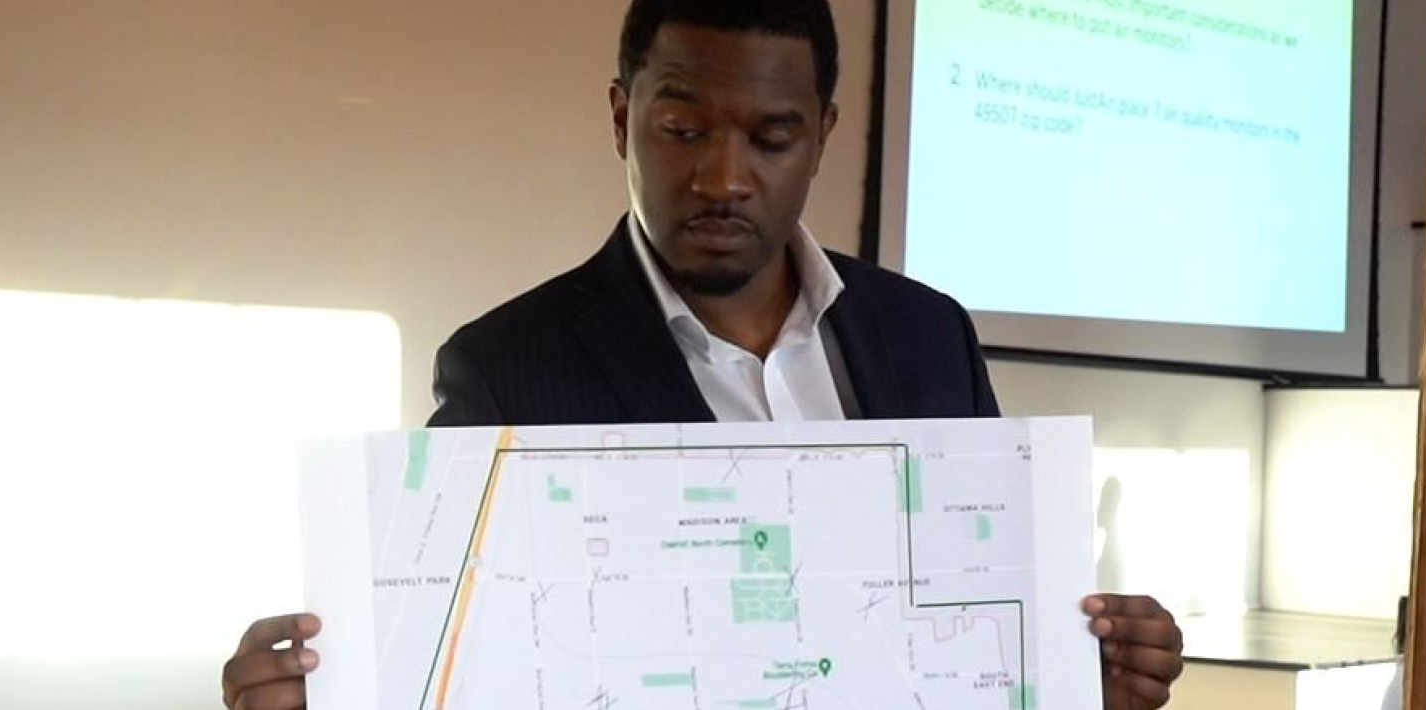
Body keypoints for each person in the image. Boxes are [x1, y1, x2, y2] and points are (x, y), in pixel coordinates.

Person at [221, 1, 1186, 708]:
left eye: (772, 137)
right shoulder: (507, 366)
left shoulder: (926, 333)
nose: (724, 176)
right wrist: (321, 689)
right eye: (682, 129)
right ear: (619, 117)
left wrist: (1088, 674)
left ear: (823, 138)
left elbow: (981, 630)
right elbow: (458, 658)